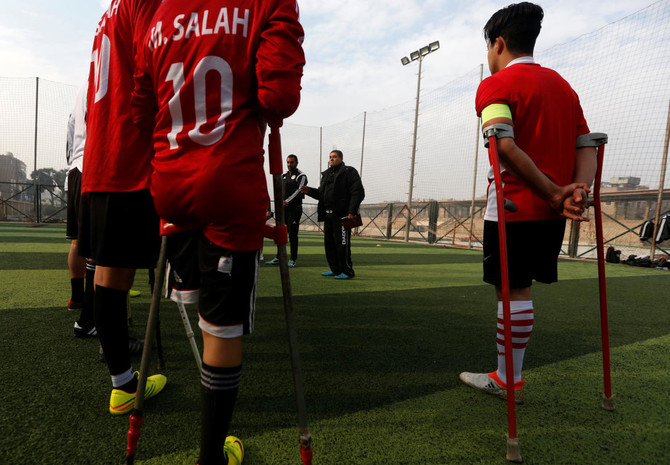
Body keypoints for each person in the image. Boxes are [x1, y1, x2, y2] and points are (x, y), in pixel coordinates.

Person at [131, 1, 305, 463]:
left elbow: (141, 112)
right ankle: (210, 457)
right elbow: (279, 98)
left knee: (198, 306)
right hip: (228, 183)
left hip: (170, 186)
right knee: (222, 331)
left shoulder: (158, 15)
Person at [458, 2, 597, 403]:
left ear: (498, 44)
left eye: (488, 48)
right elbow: (585, 144)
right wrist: (577, 191)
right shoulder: (563, 86)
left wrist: (553, 192)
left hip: (514, 206)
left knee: (512, 290)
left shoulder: (495, 85)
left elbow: (502, 144)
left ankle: (507, 379)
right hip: (553, 210)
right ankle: (509, 375)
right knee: (522, 289)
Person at [79, 0, 166, 416]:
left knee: (109, 273)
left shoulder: (109, 11)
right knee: (117, 274)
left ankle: (123, 379)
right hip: (129, 157)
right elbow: (156, 64)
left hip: (103, 156)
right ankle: (123, 384)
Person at [301, 150, 365, 279]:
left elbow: (358, 192)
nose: (331, 159)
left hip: (342, 215)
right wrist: (310, 191)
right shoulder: (326, 174)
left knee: (342, 244)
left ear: (341, 158)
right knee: (329, 244)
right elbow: (322, 194)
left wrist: (352, 211)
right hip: (328, 215)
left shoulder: (349, 172)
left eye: (334, 157)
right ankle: (335, 270)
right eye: (330, 157)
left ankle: (347, 271)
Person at [65, 81, 97, 338]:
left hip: (76, 169)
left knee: (79, 241)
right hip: (95, 167)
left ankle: (79, 298)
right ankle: (89, 318)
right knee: (99, 249)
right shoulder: (108, 78)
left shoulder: (81, 88)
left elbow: (70, 128)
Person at [266, 154, 307, 267]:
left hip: (294, 210)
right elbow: (278, 190)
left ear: (296, 163)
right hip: (282, 210)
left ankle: (293, 259)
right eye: (288, 162)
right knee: (280, 233)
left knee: (293, 235)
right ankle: (278, 257)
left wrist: (287, 201)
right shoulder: (284, 176)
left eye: (292, 162)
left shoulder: (301, 176)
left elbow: (299, 190)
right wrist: (279, 202)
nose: (289, 164)